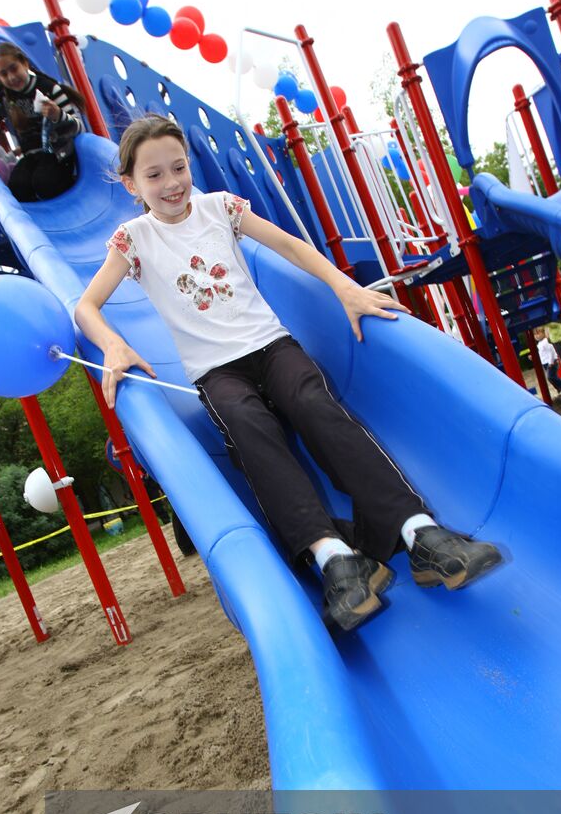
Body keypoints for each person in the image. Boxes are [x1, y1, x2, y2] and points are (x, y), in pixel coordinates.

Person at [75, 115, 503, 632]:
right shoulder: (134, 239)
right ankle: (336, 560)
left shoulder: (220, 209)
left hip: (271, 345)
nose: (171, 184)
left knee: (314, 403)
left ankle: (420, 534)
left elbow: (291, 247)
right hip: (216, 372)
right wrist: (113, 344)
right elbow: (87, 308)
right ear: (130, 185)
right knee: (248, 429)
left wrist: (343, 287)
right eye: (154, 176)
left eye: (179, 168)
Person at [0, 43, 85, 203]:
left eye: (14, 68)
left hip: (58, 153)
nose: (11, 77)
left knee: (44, 183)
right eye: (3, 74)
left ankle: (69, 194)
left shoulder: (47, 88)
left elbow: (79, 127)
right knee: (17, 187)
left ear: (24, 63)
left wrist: (58, 115)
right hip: (32, 154)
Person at [535, 327, 561, 395]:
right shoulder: (539, 343)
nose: (536, 336)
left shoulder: (546, 341)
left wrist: (551, 362)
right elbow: (542, 353)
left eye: (538, 333)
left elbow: (551, 351)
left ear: (543, 333)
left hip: (551, 362)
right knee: (552, 377)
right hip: (545, 363)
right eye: (535, 334)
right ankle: (560, 389)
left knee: (550, 377)